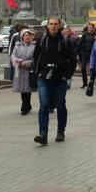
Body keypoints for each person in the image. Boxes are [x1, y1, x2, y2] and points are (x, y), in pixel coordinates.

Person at [32, 17, 75, 145]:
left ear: (60, 26)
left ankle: (60, 131)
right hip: (44, 78)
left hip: (60, 79)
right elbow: (36, 57)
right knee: (44, 104)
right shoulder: (41, 40)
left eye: (56, 24)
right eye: (51, 24)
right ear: (47, 26)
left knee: (60, 105)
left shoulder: (66, 42)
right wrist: (38, 72)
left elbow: (72, 60)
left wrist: (67, 75)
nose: (53, 26)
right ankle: (43, 134)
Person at [11, 29, 36, 115]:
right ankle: (27, 105)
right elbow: (13, 56)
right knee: (22, 89)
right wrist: (16, 61)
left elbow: (35, 59)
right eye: (25, 35)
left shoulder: (34, 46)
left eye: (29, 35)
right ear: (22, 37)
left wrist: (27, 63)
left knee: (28, 89)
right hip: (20, 70)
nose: (27, 37)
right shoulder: (17, 46)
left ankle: (24, 107)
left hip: (29, 71)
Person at [77, 24, 95, 90]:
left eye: (91, 27)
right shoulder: (85, 34)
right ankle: (85, 83)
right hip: (84, 52)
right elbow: (80, 43)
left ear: (93, 28)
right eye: (88, 27)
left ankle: (92, 82)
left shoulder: (95, 34)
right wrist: (78, 53)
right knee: (83, 67)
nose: (89, 28)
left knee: (93, 68)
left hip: (92, 53)